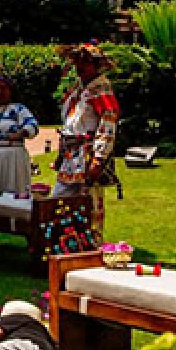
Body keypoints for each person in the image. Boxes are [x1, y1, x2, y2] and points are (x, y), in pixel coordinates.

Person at [54, 43, 120, 238]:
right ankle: (63, 242)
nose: (80, 67)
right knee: (60, 200)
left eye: (86, 63)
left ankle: (89, 244)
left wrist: (99, 158)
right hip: (70, 156)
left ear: (96, 65)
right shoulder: (78, 89)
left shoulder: (101, 89)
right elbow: (69, 123)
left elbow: (108, 124)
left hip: (88, 155)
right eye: (78, 63)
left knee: (88, 202)